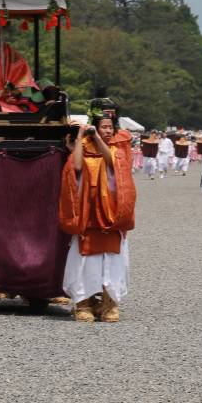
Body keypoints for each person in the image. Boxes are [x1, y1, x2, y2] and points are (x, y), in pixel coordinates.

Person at [59, 98, 136, 323]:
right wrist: (82, 137)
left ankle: (109, 303)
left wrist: (100, 138)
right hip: (89, 212)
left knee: (112, 260)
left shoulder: (121, 143)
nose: (108, 130)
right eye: (103, 126)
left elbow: (112, 162)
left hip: (111, 213)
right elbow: (76, 168)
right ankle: (84, 303)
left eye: (110, 126)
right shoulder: (85, 145)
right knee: (85, 261)